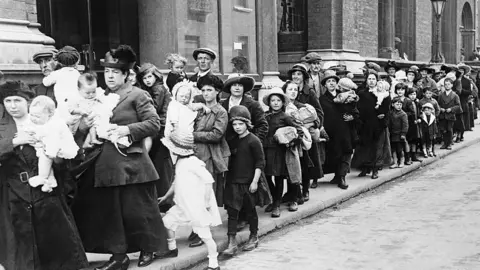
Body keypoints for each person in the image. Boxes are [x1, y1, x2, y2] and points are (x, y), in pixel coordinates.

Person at [71, 44, 168, 269]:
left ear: (126, 74)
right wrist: (86, 126)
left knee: (139, 210)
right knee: (111, 213)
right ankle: (119, 256)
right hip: (106, 164)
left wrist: (127, 130)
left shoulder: (137, 94)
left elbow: (154, 123)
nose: (110, 76)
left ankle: (149, 248)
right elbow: (92, 124)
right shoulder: (103, 97)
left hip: (132, 164)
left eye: (116, 72)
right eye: (107, 72)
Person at [0, 81, 88, 270]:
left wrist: (55, 157)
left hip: (45, 190)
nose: (12, 106)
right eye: (8, 100)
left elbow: (69, 153)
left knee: (54, 243)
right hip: (14, 193)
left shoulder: (47, 121)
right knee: (21, 245)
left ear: (29, 102)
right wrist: (15, 142)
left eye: (18, 100)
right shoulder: (2, 127)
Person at [158, 128, 222, 270]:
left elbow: (208, 180)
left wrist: (205, 203)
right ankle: (172, 248)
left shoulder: (193, 162)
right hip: (182, 204)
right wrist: (167, 196)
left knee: (206, 237)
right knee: (167, 222)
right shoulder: (180, 163)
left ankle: (214, 263)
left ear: (178, 149)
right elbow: (176, 181)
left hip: (195, 206)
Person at [220, 74, 268, 232]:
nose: (237, 87)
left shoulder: (252, 104)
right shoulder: (223, 104)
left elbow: (262, 124)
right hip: (229, 148)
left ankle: (245, 216)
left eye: (240, 85)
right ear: (229, 87)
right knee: (232, 183)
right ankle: (233, 212)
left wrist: (252, 142)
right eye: (233, 85)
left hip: (246, 148)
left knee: (246, 183)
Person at [223, 105, 271, 256]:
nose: (237, 127)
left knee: (250, 211)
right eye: (234, 124)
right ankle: (231, 242)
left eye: (240, 124)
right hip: (233, 182)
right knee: (232, 212)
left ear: (247, 124)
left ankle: (254, 236)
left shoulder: (253, 140)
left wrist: (255, 181)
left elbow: (260, 162)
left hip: (248, 182)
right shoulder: (233, 141)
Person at [262, 88, 303, 216]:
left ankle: (277, 205)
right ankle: (274, 199)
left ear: (282, 103)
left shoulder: (285, 117)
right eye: (272, 100)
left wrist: (290, 142)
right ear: (269, 102)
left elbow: (299, 132)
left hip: (279, 152)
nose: (275, 103)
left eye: (278, 100)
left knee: (279, 178)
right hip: (265, 150)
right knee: (267, 177)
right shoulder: (264, 115)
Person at [27, 96, 79, 193]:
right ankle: (50, 181)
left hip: (61, 147)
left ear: (50, 115)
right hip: (50, 146)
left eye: (37, 116)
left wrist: (50, 152)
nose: (34, 119)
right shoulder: (43, 122)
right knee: (46, 162)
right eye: (31, 115)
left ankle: (42, 177)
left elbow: (53, 141)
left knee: (45, 158)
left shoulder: (54, 125)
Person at [287, 64, 324, 200]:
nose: (296, 77)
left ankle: (306, 189)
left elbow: (319, 112)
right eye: (294, 74)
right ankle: (292, 191)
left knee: (307, 162)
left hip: (307, 133)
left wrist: (314, 125)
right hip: (293, 133)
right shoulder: (288, 90)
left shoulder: (310, 92)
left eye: (299, 74)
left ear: (304, 76)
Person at [193, 75, 230, 207]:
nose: (205, 93)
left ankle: (205, 223)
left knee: (207, 190)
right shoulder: (198, 109)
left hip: (210, 154)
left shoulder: (221, 112)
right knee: (194, 189)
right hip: (194, 153)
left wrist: (193, 135)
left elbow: (216, 135)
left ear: (217, 91)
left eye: (209, 90)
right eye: (203, 90)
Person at [320, 70, 358, 189]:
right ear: (325, 85)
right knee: (335, 154)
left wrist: (353, 116)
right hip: (332, 132)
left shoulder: (346, 95)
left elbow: (356, 111)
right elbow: (321, 115)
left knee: (347, 152)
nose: (331, 83)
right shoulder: (322, 99)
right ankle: (337, 175)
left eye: (333, 81)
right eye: (328, 81)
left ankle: (342, 177)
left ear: (337, 84)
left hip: (346, 130)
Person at [352, 72, 392, 179]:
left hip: (378, 124)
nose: (371, 81)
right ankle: (365, 168)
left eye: (373, 79)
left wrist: (383, 118)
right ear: (366, 80)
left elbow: (387, 108)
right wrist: (359, 122)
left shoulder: (382, 93)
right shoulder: (361, 93)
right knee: (365, 147)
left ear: (377, 81)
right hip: (365, 124)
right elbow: (358, 108)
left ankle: (375, 169)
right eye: (369, 79)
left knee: (376, 147)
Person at [67, 72, 122, 148]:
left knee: (95, 125)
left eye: (93, 92)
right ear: (79, 89)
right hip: (76, 120)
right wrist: (80, 111)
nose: (91, 95)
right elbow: (71, 110)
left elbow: (102, 98)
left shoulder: (97, 93)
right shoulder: (75, 98)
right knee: (71, 135)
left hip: (90, 115)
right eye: (87, 93)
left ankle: (92, 139)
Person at [42, 46, 81, 120]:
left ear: (60, 62)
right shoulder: (77, 74)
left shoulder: (57, 74)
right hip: (76, 105)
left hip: (63, 106)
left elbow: (46, 82)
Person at [438, 78, 462, 150]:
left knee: (449, 129)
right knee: (443, 129)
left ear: (452, 85)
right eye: (445, 84)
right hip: (443, 114)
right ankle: (445, 143)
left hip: (450, 115)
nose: (447, 86)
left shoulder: (455, 95)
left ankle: (449, 143)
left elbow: (458, 106)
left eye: (449, 84)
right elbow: (438, 104)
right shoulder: (441, 95)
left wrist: (451, 109)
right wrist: (440, 108)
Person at [388, 97, 409, 169]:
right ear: (393, 105)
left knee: (400, 149)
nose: (399, 106)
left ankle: (402, 161)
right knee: (393, 149)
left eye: (400, 104)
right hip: (392, 134)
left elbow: (405, 125)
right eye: (397, 104)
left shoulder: (403, 114)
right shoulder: (391, 113)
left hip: (400, 134)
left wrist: (403, 134)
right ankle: (395, 162)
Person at [406, 88, 422, 162]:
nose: (413, 96)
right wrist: (412, 119)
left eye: (414, 94)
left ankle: (414, 155)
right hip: (410, 123)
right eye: (411, 94)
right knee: (409, 140)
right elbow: (407, 113)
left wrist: (419, 118)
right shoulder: (407, 102)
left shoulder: (417, 103)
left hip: (416, 124)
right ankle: (408, 156)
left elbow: (419, 112)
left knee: (415, 140)